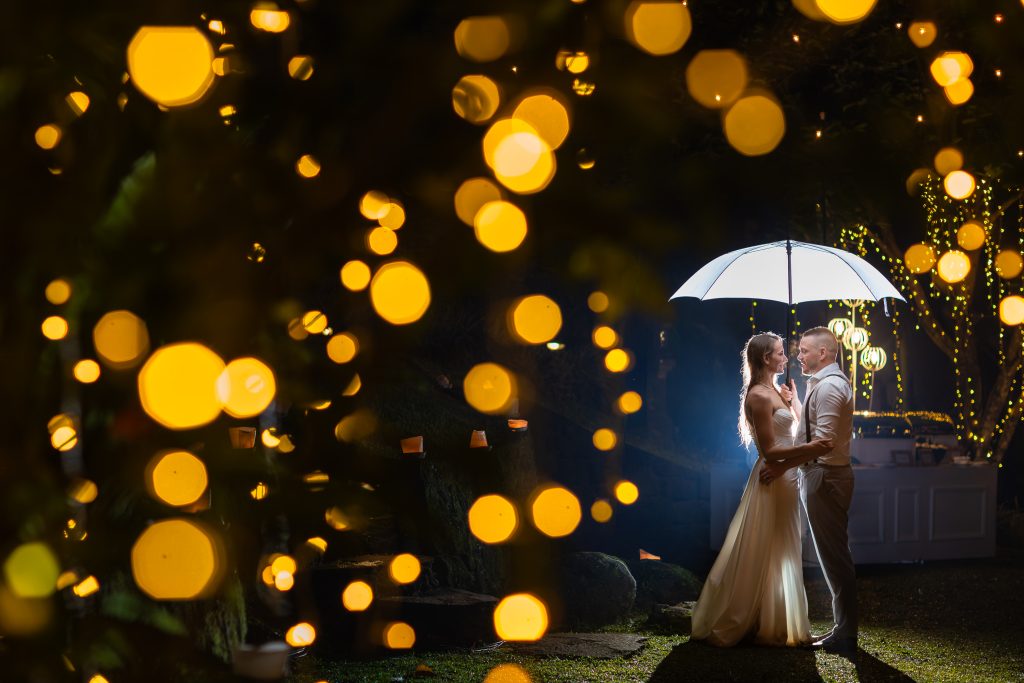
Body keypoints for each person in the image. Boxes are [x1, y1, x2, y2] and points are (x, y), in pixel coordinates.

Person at [691, 332, 832, 647]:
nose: (786, 358)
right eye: (781, 353)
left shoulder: (776, 391)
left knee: (784, 547)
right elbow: (770, 451)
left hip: (788, 477)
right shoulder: (757, 395)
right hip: (774, 476)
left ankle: (777, 620)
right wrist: (813, 450)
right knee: (773, 547)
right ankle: (774, 623)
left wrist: (793, 400)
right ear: (767, 359)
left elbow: (796, 431)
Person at [760, 326, 857, 654]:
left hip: (825, 478)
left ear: (823, 354)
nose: (797, 356)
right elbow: (812, 431)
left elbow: (825, 442)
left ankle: (846, 634)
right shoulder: (824, 384)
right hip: (822, 474)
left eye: (803, 350)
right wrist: (795, 402)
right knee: (832, 556)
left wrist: (784, 464)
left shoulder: (830, 388)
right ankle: (845, 629)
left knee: (834, 558)